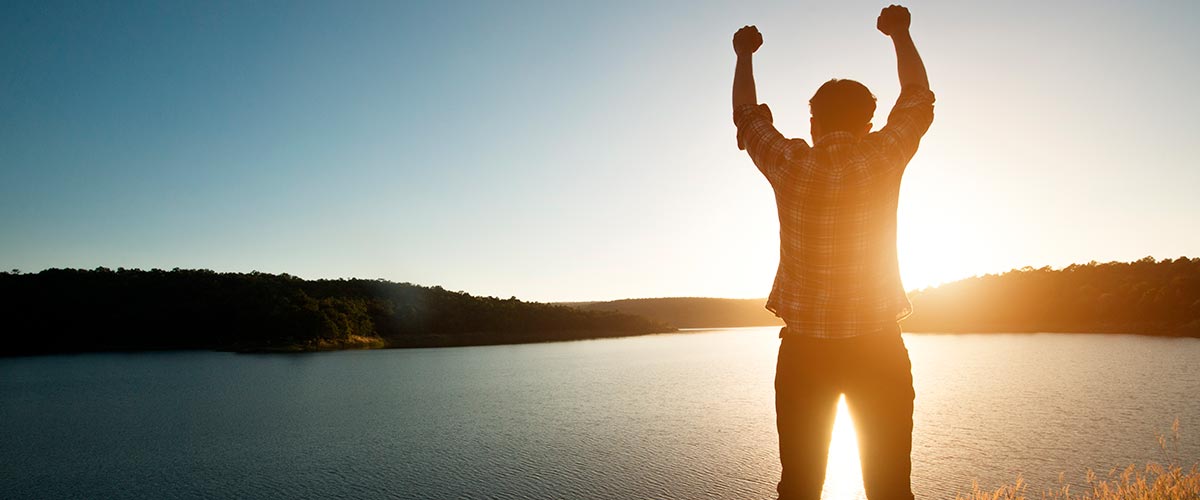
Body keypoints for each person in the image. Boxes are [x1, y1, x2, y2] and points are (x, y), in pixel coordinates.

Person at [730, 5, 934, 500]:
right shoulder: (883, 154)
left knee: (799, 488)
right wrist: (900, 33)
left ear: (813, 123)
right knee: (890, 489)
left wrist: (744, 56)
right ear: (868, 123)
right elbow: (917, 97)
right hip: (878, 350)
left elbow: (746, 116)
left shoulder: (789, 162)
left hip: (805, 356)